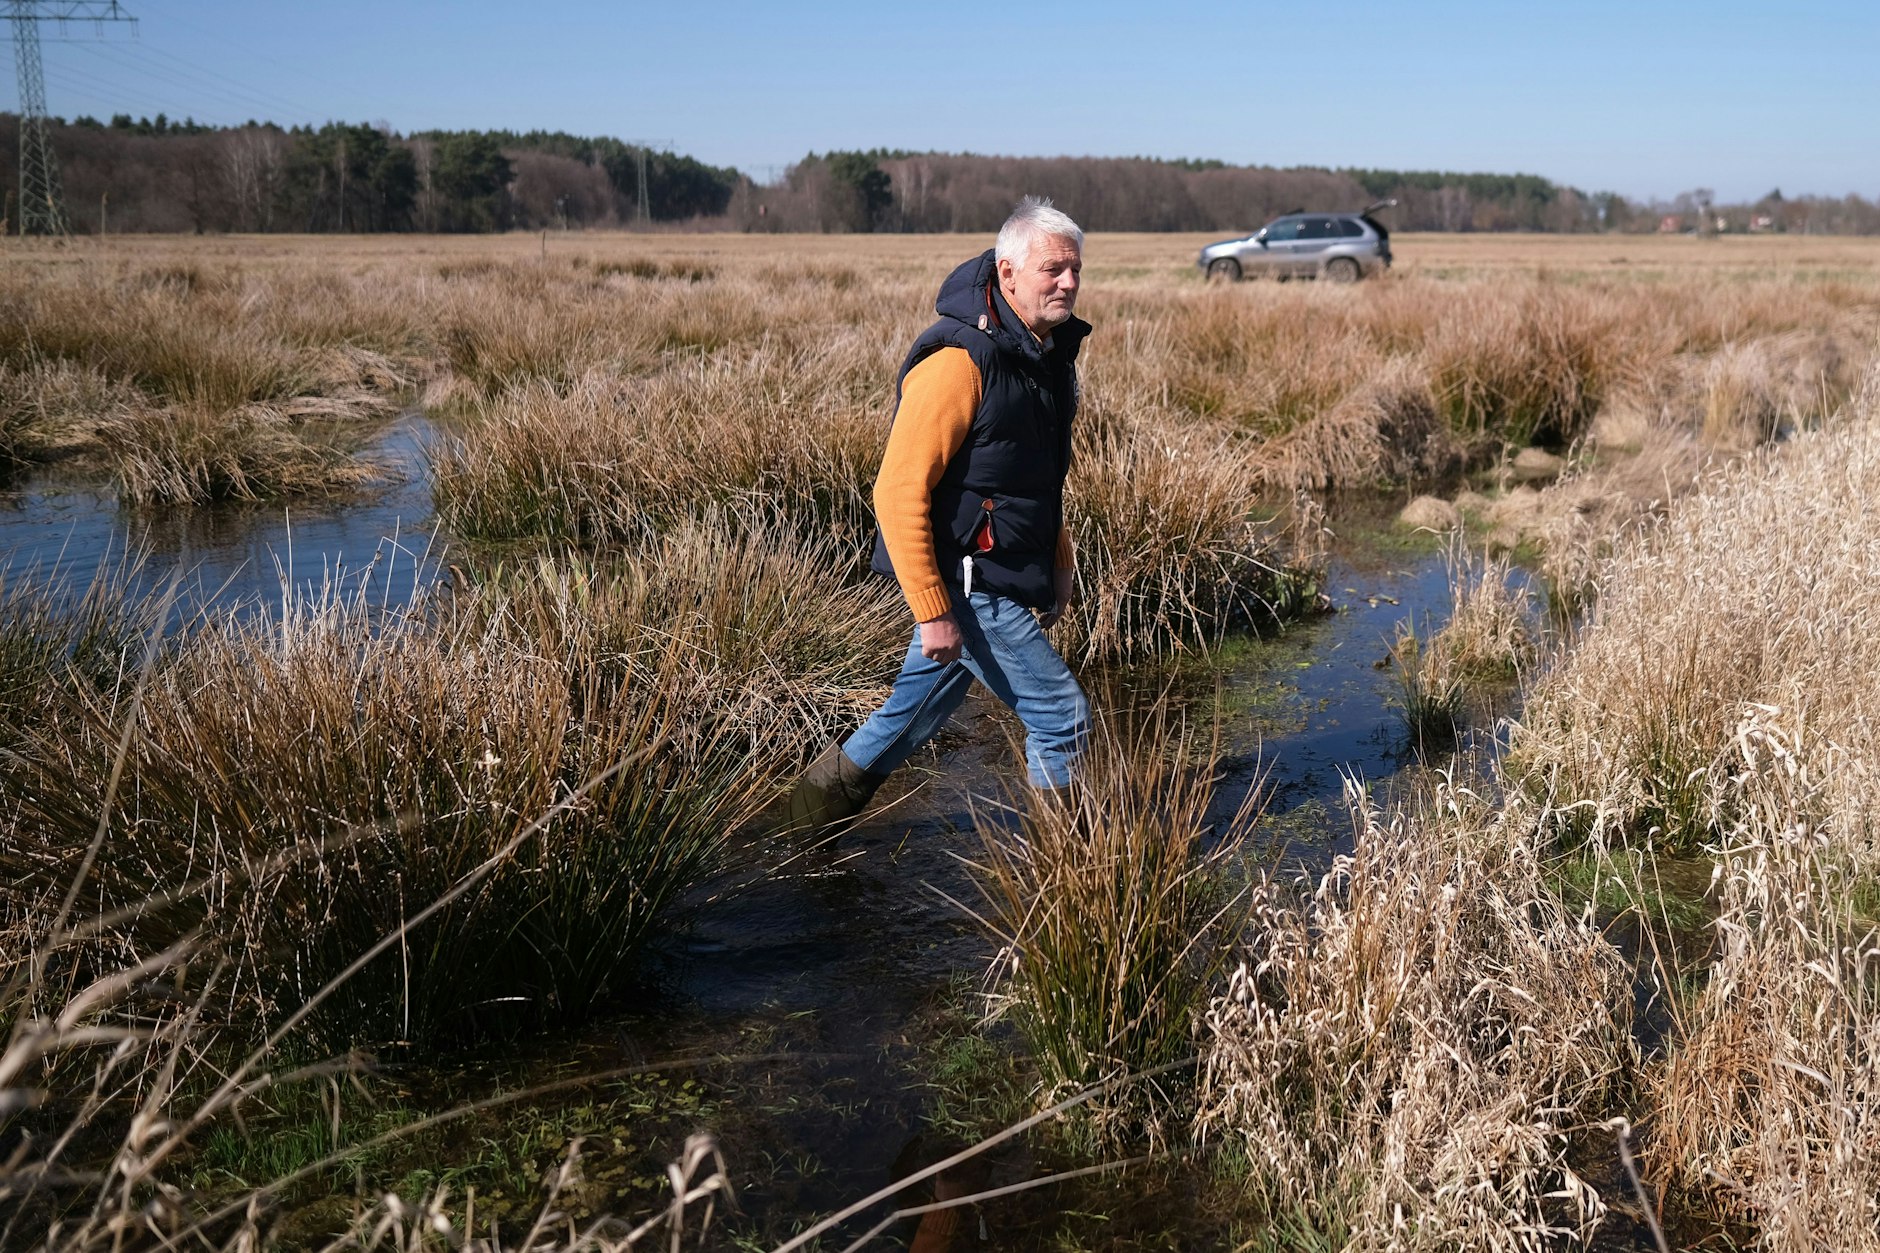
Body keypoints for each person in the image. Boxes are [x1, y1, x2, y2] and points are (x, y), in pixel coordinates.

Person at [785, 197, 1092, 837]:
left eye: (1075, 270)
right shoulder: (958, 363)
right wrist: (932, 608)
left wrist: (1059, 562)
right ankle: (1072, 871)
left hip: (999, 572)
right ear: (1008, 273)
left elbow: (1038, 480)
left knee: (907, 717)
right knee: (1059, 715)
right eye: (1052, 270)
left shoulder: (1047, 357)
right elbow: (896, 492)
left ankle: (794, 827)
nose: (1068, 283)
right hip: (971, 584)